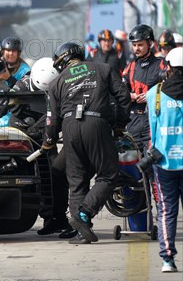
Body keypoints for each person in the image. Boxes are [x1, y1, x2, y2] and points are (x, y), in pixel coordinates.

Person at [42, 42, 130, 244]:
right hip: (97, 123)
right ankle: (84, 214)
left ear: (63, 59)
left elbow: (51, 119)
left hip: (70, 127)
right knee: (108, 174)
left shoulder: (56, 83)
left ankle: (83, 231)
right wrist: (120, 124)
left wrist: (49, 141)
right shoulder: (103, 68)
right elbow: (123, 95)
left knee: (77, 182)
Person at [5, 57, 73, 237]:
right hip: (21, 134)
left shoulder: (60, 85)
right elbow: (6, 107)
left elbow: (58, 115)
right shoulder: (21, 86)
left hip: (45, 134)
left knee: (55, 174)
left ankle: (55, 218)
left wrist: (44, 131)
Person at [145, 47, 183, 272]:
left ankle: (167, 259)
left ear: (168, 68)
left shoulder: (155, 93)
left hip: (165, 161)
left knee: (167, 210)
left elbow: (153, 129)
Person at [122, 24, 167, 151]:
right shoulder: (129, 67)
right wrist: (130, 96)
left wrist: (150, 97)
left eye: (140, 44)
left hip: (154, 120)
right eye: (134, 45)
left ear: (150, 43)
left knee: (150, 164)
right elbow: (120, 93)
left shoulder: (162, 65)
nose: (136, 48)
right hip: (133, 121)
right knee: (132, 164)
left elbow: (171, 90)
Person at [0, 37, 30, 126]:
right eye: (8, 50)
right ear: (3, 51)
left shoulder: (25, 70)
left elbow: (24, 95)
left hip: (14, 119)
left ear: (18, 53)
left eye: (14, 51)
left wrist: (9, 78)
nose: (11, 53)